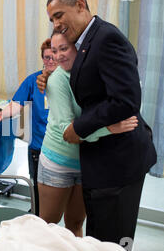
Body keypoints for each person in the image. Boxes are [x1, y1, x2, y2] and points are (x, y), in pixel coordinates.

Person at [37, 0, 157, 249]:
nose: (56, 24)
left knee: (109, 246)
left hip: (117, 162)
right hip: (94, 160)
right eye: (52, 20)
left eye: (59, 15)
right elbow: (80, 83)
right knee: (99, 241)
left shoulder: (105, 39)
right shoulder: (86, 44)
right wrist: (49, 74)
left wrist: (80, 128)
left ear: (80, 5)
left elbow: (125, 100)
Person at [38, 30, 139, 237]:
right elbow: (69, 131)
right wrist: (109, 129)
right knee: (47, 224)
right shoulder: (57, 80)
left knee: (75, 223)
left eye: (64, 48)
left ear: (79, 48)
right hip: (59, 159)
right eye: (54, 51)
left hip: (88, 160)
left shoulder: (92, 75)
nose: (58, 56)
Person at [0, 38, 57, 215]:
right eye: (46, 57)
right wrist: (1, 114)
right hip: (38, 146)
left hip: (60, 147)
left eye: (54, 57)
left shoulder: (68, 80)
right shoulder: (33, 80)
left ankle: (47, 216)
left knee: (56, 191)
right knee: (36, 185)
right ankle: (37, 214)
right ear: (42, 58)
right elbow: (16, 104)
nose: (50, 61)